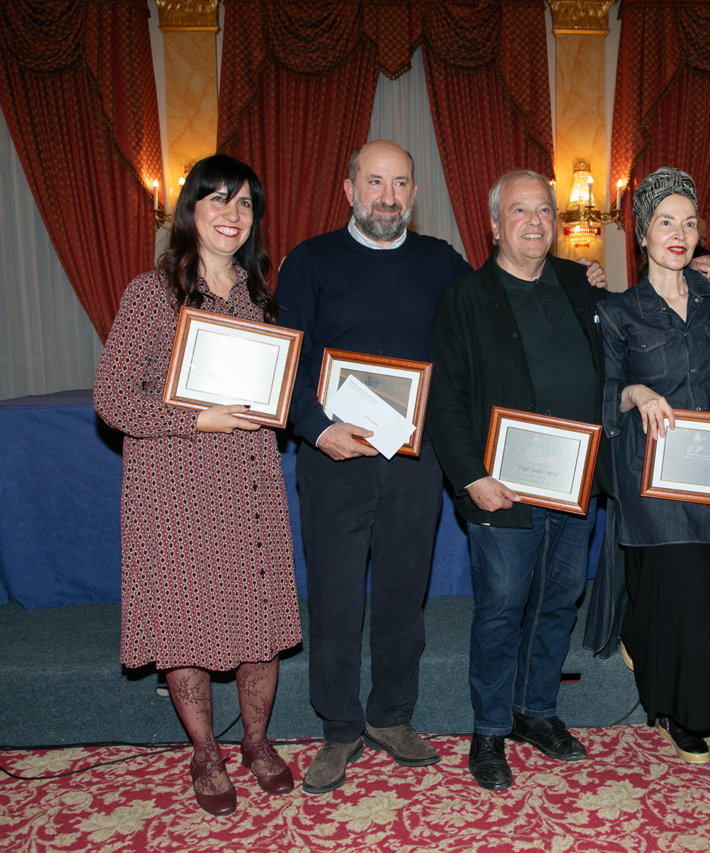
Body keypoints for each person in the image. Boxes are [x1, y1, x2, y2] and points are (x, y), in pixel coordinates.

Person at [94, 154, 300, 816]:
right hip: (175, 489)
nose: (232, 214)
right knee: (186, 625)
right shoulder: (151, 293)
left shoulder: (257, 295)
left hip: (250, 482)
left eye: (244, 204)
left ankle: (259, 743)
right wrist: (195, 418)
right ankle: (206, 752)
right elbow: (112, 399)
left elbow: (268, 392)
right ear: (190, 210)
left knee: (259, 622)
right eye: (217, 199)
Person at [273, 140, 472, 794]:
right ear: (349, 187)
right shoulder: (309, 262)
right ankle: (339, 726)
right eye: (375, 182)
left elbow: (491, 320)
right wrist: (320, 428)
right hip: (334, 459)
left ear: (414, 194)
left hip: (416, 463)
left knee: (401, 592)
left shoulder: (441, 262)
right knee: (333, 597)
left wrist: (570, 277)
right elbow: (292, 363)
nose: (388, 196)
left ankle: (391, 715)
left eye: (400, 184)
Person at [426, 170, 608, 791]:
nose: (535, 223)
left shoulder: (582, 283)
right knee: (502, 609)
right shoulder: (465, 299)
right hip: (501, 491)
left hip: (575, 485)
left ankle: (537, 712)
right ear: (496, 225)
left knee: (558, 602)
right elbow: (444, 402)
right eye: (520, 212)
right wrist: (471, 477)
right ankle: (489, 729)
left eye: (544, 212)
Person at [597, 167, 710, 764]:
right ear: (643, 233)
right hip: (651, 471)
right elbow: (604, 391)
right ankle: (680, 711)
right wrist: (635, 393)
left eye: (690, 223)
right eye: (666, 222)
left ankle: (660, 656)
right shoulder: (618, 310)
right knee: (684, 586)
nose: (679, 233)